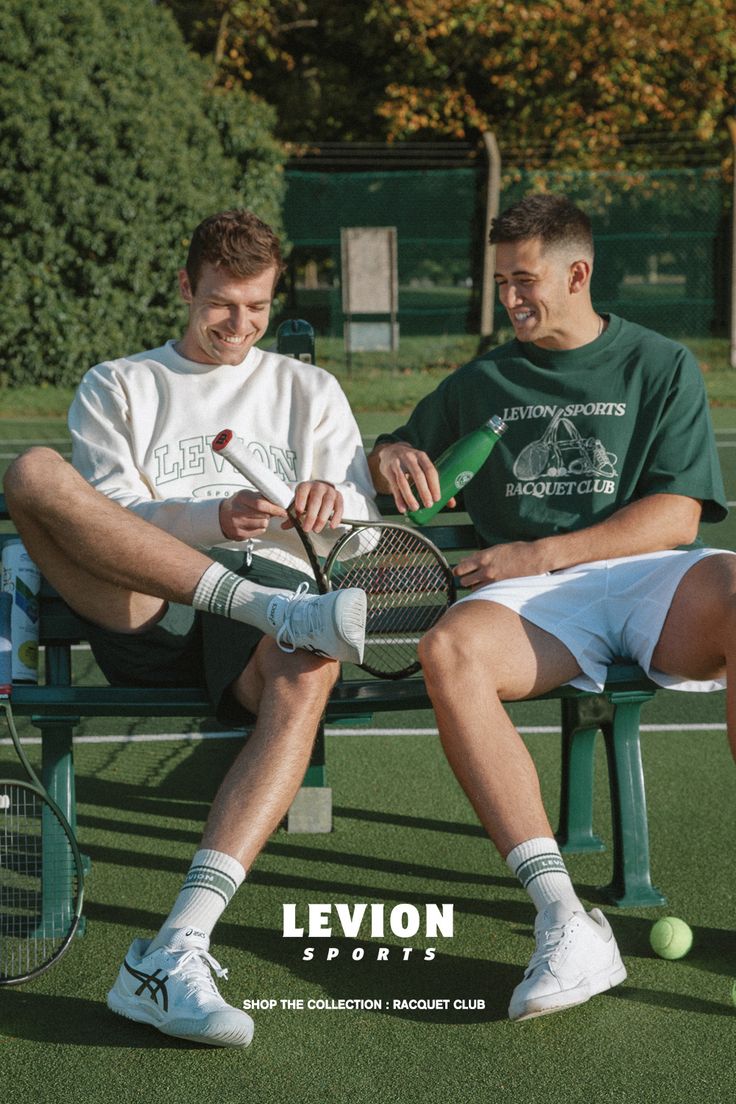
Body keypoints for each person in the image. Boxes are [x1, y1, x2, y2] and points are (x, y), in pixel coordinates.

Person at [3, 209, 378, 1048]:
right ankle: (277, 612)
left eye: (256, 308)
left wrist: (329, 505)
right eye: (220, 304)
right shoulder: (119, 384)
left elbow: (363, 525)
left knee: (309, 658)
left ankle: (177, 947)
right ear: (184, 287)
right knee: (31, 473)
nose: (238, 326)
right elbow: (105, 518)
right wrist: (212, 515)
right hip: (142, 612)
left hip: (262, 626)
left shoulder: (308, 391)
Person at [369, 192, 734, 1022]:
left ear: (579, 274)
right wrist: (390, 450)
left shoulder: (661, 364)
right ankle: (565, 922)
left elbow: (676, 517)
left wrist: (539, 550)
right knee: (448, 653)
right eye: (501, 283)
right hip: (530, 603)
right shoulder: (481, 379)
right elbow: (394, 452)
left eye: (524, 280)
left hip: (646, 575)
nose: (510, 300)